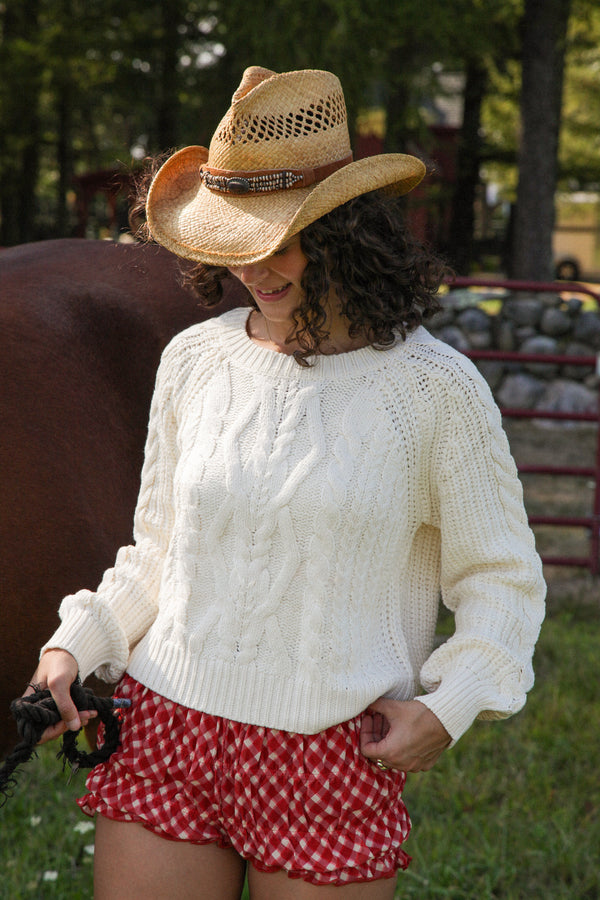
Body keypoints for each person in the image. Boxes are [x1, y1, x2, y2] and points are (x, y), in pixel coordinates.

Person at [30, 66, 546, 899]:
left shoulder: (434, 390)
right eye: (232, 248)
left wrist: (448, 709)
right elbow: (158, 556)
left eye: (277, 245)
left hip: (331, 755)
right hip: (167, 733)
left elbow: (504, 583)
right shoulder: (195, 361)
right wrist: (75, 645)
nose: (253, 273)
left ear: (345, 232)